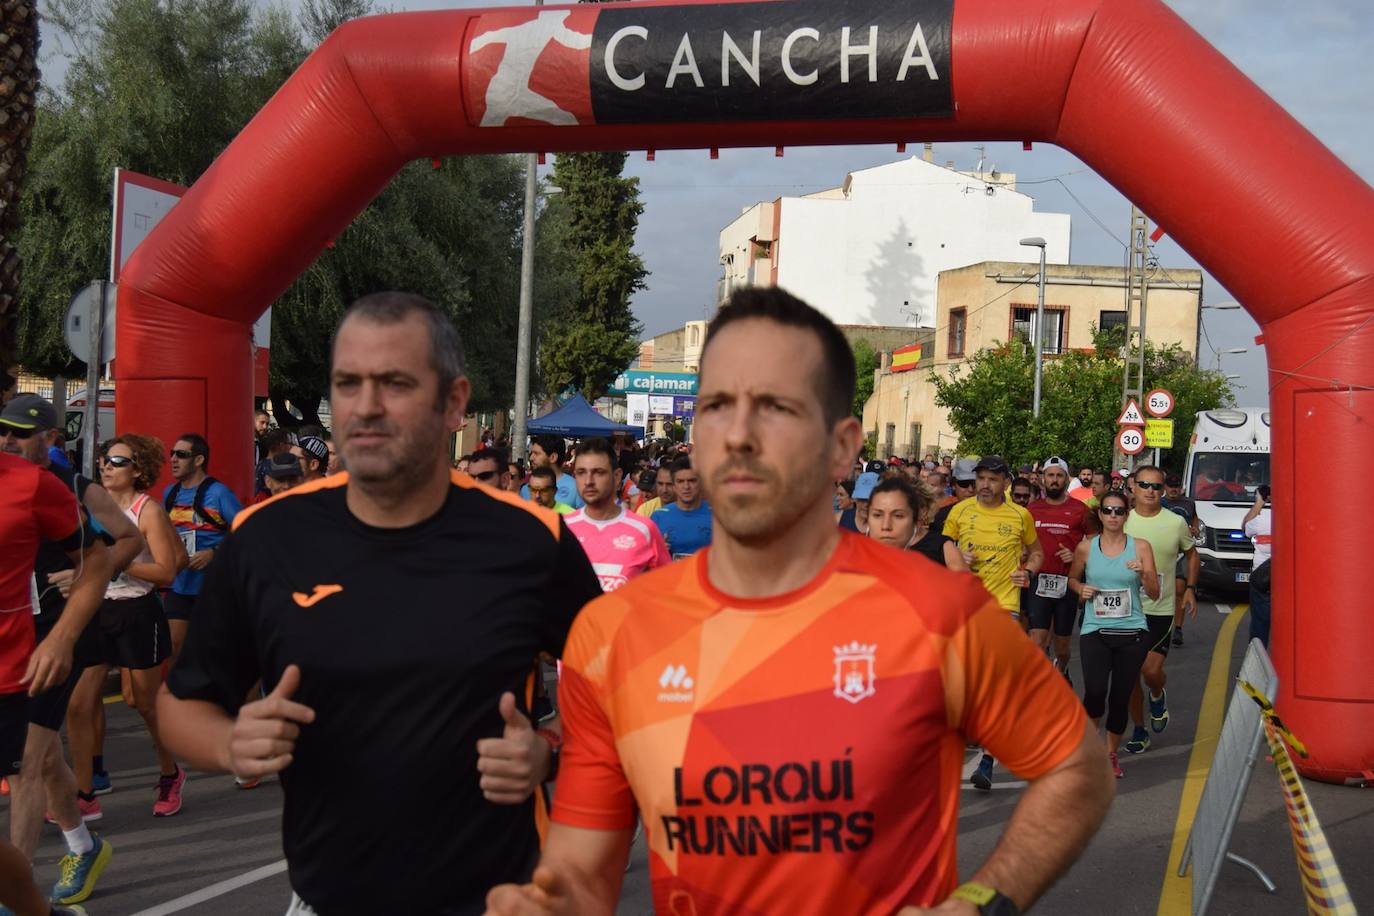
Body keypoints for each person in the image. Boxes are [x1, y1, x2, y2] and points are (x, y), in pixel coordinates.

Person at [485, 286, 1112, 916]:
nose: (739, 435)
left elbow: (1076, 770)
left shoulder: (938, 613)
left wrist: (978, 902)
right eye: (717, 406)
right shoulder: (612, 632)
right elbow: (580, 873)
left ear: (842, 447)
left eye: (776, 407)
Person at [158, 292, 604, 914]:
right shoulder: (267, 538)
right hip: (325, 898)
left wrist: (548, 750)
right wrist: (231, 742)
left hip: (500, 897)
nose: (365, 407)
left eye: (394, 383)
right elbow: (182, 704)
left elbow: (618, 691)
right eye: (347, 384)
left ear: (453, 402)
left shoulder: (531, 540)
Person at [3, 396, 123, 907]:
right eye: (3, 432)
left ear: (50, 438)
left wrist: (81, 582)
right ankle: (82, 843)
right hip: (21, 625)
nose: (9, 441)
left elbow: (126, 541)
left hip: (51, 634)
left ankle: (15, 891)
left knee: (29, 761)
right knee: (45, 757)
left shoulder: (73, 487)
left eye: (21, 434)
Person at [66, 434, 188, 820]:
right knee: (79, 703)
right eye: (104, 458)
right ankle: (84, 794)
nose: (105, 465)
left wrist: (115, 562)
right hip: (96, 609)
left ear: (138, 471)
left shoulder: (146, 510)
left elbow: (167, 570)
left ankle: (170, 772)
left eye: (117, 462)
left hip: (138, 610)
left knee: (143, 702)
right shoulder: (90, 505)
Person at [942, 453, 1044, 790]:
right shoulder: (960, 512)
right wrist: (957, 556)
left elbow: (1038, 552)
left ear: (1005, 483)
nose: (985, 485)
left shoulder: (1020, 516)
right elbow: (942, 547)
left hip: (1004, 605)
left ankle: (986, 760)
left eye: (992, 479)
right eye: (981, 478)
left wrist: (1027, 571)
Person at [1068, 490, 1160, 778]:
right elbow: (1071, 578)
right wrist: (1079, 589)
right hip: (1095, 629)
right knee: (1095, 692)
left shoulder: (1141, 547)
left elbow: (1155, 594)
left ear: (1126, 515)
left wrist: (1144, 573)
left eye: (1119, 511)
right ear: (1100, 514)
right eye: (1107, 510)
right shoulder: (1086, 547)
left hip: (1132, 631)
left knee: (1119, 698)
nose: (1113, 516)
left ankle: (1109, 754)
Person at [1122, 465, 1198, 755]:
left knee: (1151, 671)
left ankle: (1156, 693)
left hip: (1161, 608)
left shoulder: (1175, 522)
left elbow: (1192, 555)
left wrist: (1190, 589)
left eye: (1156, 486)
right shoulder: (1122, 520)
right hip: (1126, 609)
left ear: (1163, 489)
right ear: (1134, 488)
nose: (1151, 491)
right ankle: (1140, 730)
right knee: (1129, 675)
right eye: (1145, 485)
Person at [163, 433, 242, 664]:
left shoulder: (218, 494)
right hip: (179, 587)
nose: (174, 460)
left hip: (212, 588)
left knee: (213, 655)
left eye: (181, 455)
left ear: (198, 460)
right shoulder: (170, 494)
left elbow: (245, 531)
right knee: (176, 650)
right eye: (172, 454)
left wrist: (214, 553)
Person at [565, 438, 670, 592]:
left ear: (617, 476)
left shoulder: (644, 530)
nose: (588, 481)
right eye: (581, 473)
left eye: (598, 472)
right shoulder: (562, 529)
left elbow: (666, 589)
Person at [1027, 457, 1094, 682]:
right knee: (1037, 639)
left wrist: (1077, 555)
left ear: (1067, 479)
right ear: (1043, 479)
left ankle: (1063, 668)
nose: (1054, 480)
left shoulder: (1080, 510)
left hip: (1067, 582)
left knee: (1063, 646)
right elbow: (1021, 541)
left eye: (1059, 476)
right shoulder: (1032, 509)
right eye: (1050, 475)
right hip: (1039, 581)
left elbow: (1095, 541)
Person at [867, 476, 966, 569]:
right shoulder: (866, 545)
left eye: (898, 515)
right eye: (878, 515)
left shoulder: (944, 547)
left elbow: (963, 584)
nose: (886, 524)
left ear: (924, 509)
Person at [1162, 473, 1200, 647]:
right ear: (1164, 487)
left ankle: (1177, 627)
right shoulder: (1159, 503)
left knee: (1179, 589)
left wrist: (1195, 528)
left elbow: (1194, 519)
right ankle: (1160, 625)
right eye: (1170, 485)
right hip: (1162, 551)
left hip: (1182, 551)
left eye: (1176, 485)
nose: (1173, 489)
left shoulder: (1189, 503)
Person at [651, 458, 712, 558]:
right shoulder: (658, 517)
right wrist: (658, 552)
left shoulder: (717, 516)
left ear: (701, 483)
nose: (686, 486)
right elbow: (645, 559)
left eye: (692, 481)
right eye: (680, 481)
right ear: (674, 485)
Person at [1242, 486, 1272, 647]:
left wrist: (1259, 502)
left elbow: (1245, 527)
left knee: (1260, 625)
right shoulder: (1294, 517)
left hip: (1262, 578)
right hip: (1289, 577)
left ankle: (1255, 669)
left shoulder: (1261, 520)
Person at [519, 435, 582, 510]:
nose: (531, 458)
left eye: (536, 453)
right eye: (531, 453)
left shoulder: (576, 487)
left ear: (553, 457)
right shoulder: (525, 489)